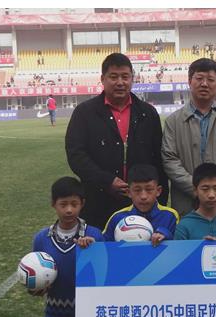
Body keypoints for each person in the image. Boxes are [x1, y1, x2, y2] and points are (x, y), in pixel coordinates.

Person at [66, 52, 168, 229]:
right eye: (113, 77)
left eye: (125, 77)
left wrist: (161, 202)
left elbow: (158, 159)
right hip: (97, 202)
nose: (120, 82)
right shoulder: (84, 113)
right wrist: (107, 181)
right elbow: (76, 155)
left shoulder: (148, 113)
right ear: (102, 79)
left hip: (141, 205)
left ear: (132, 79)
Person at [30, 177, 104, 317]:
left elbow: (104, 274)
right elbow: (36, 277)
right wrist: (35, 289)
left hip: (89, 315)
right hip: (57, 314)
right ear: (53, 204)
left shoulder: (94, 235)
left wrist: (93, 251)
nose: (69, 210)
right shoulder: (42, 239)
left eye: (74, 204)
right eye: (63, 204)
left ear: (82, 204)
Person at [161, 57, 216, 217]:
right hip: (186, 206)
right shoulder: (173, 121)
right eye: (199, 78)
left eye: (210, 80)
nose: (204, 84)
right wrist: (196, 189)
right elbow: (169, 160)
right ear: (189, 81)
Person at [103, 163, 179, 246]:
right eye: (137, 190)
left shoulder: (170, 215)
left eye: (149, 189)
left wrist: (166, 235)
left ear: (158, 191)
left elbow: (179, 244)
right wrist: (94, 237)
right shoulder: (117, 217)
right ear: (128, 192)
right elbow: (103, 244)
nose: (143, 196)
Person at [174, 163, 216, 241]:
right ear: (195, 190)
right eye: (205, 189)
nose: (211, 195)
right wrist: (200, 245)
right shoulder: (184, 225)